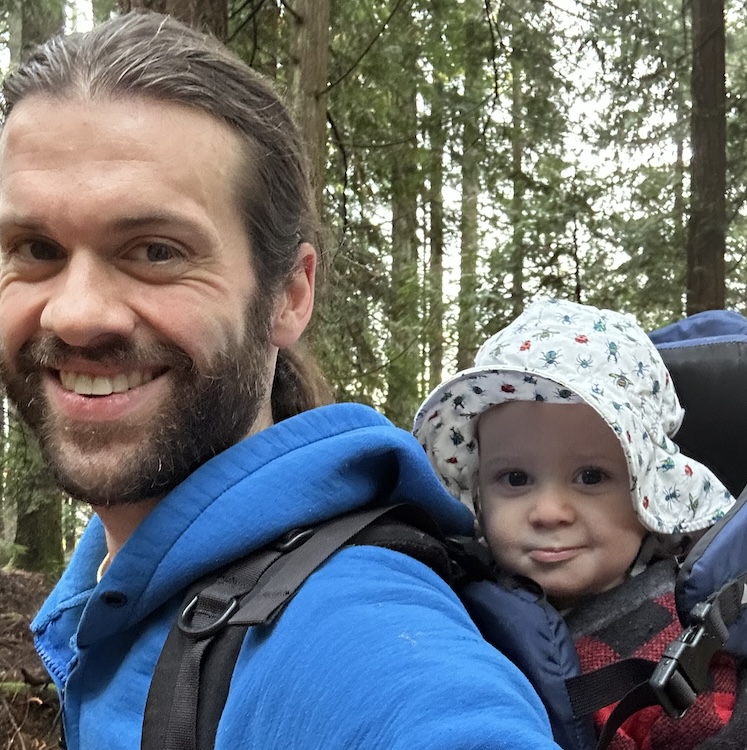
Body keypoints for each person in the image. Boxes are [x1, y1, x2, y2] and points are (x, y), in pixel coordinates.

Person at [0, 11, 564, 750]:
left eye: (156, 251)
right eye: (35, 248)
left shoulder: (349, 635)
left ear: (289, 295)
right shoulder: (120, 578)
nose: (76, 315)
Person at [413, 297, 741, 749]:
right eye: (515, 478)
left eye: (590, 477)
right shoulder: (449, 605)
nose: (549, 511)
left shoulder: (690, 648)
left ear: (649, 494)